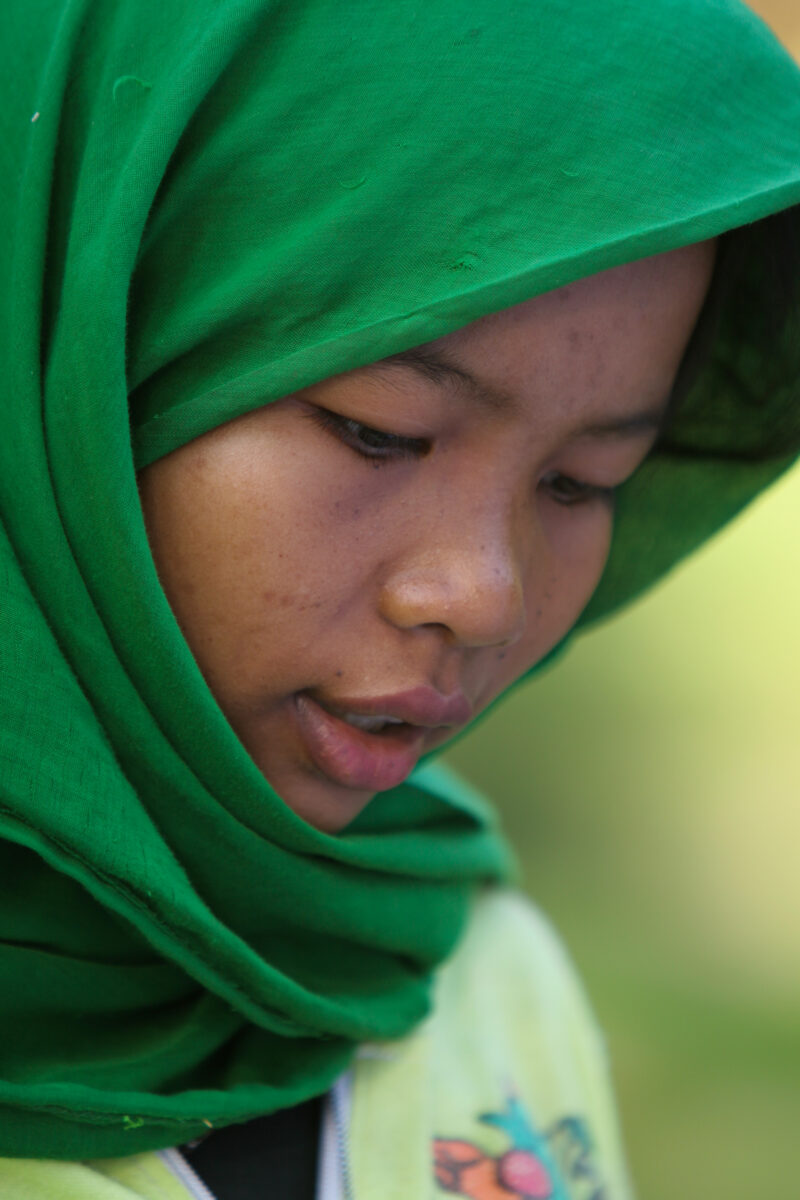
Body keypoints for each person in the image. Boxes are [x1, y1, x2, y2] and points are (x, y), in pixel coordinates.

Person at [0, 1, 798, 1198]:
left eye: (581, 483)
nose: (483, 596)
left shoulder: (475, 965)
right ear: (86, 350)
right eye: (378, 432)